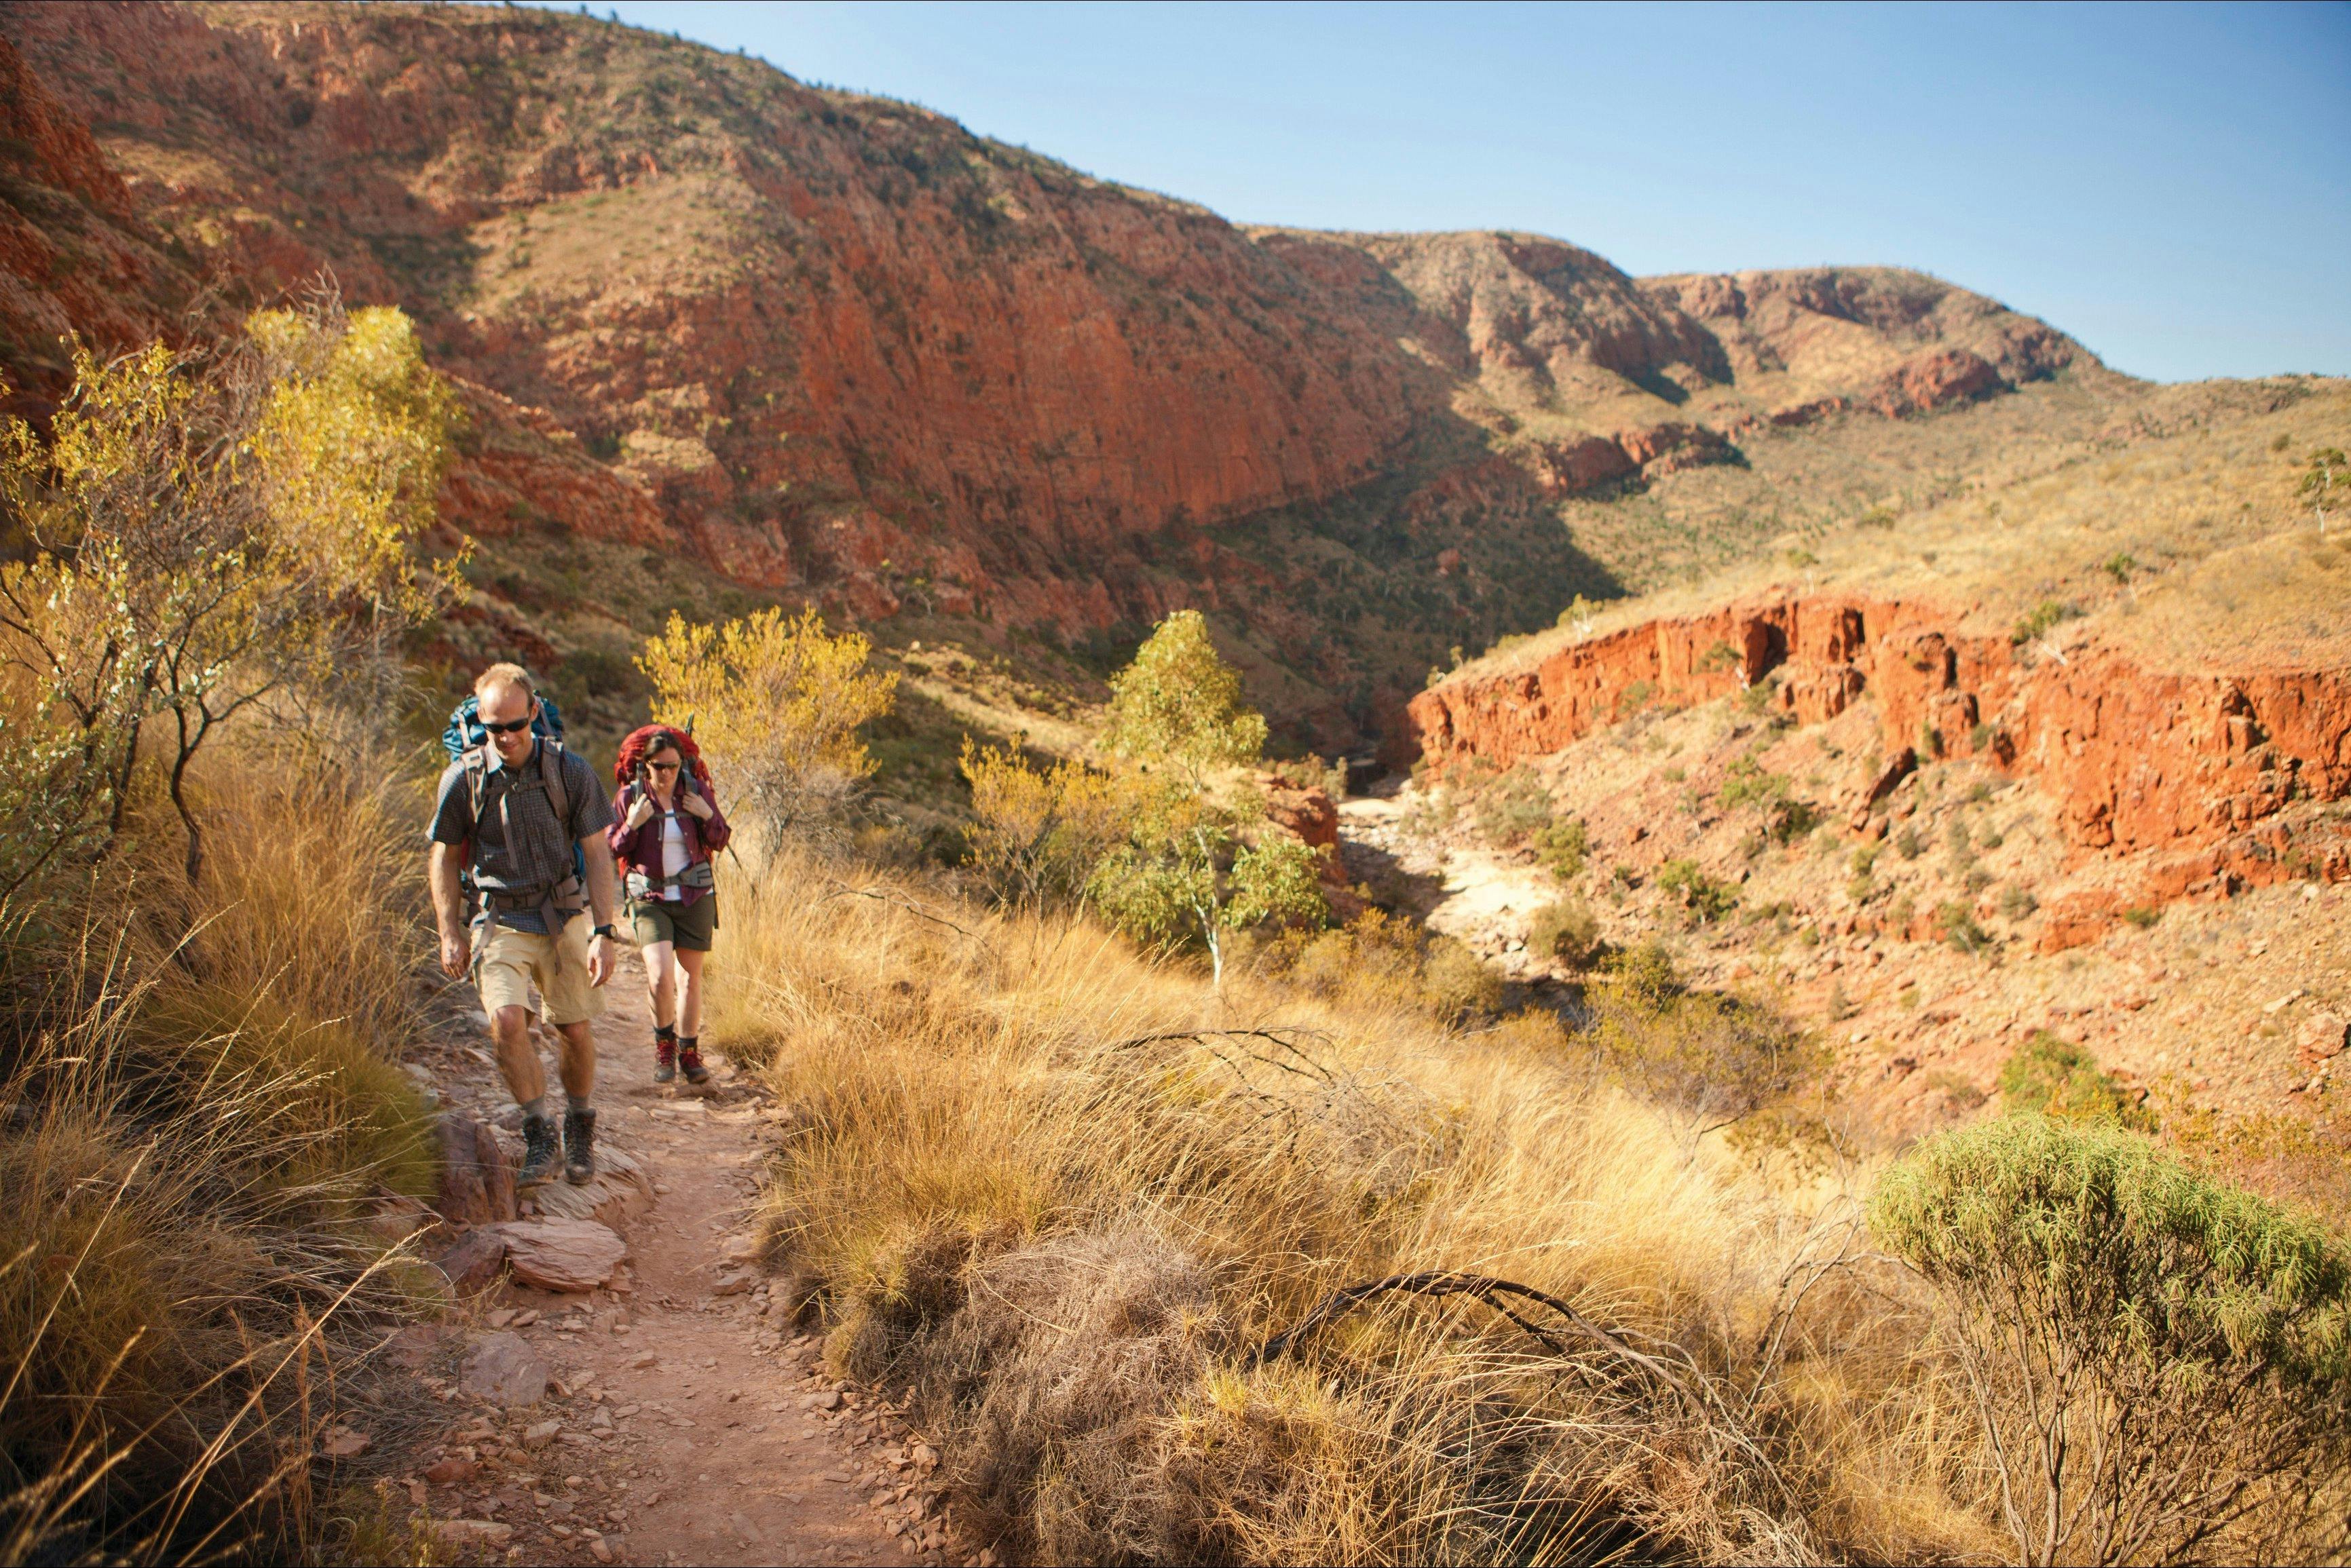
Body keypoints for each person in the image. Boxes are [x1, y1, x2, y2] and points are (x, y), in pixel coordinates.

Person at [428, 664, 620, 1187]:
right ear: (481, 723)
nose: (506, 737)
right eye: (494, 728)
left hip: (561, 912)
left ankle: (579, 1121)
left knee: (573, 1028)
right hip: (498, 915)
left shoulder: (570, 770)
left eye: (515, 724)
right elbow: (444, 856)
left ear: (534, 712)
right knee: (508, 1022)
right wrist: (449, 930)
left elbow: (597, 854)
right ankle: (540, 1129)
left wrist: (604, 930)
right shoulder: (463, 778)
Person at [608, 726, 730, 1084]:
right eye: (659, 767)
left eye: (673, 766)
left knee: (690, 980)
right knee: (660, 976)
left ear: (682, 765)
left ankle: (689, 1053)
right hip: (650, 899)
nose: (666, 774)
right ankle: (665, 1045)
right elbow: (613, 847)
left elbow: (721, 838)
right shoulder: (630, 797)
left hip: (695, 896)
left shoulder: (695, 791)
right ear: (645, 766)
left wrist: (706, 814)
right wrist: (633, 824)